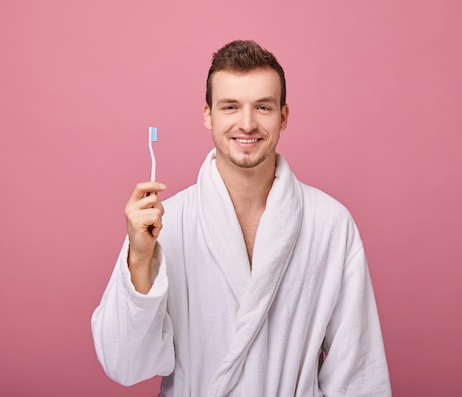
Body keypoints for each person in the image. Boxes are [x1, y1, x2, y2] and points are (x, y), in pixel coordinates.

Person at [91, 39, 391, 396]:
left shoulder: (330, 225)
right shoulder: (164, 225)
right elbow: (123, 363)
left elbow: (359, 372)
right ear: (208, 115)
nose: (246, 124)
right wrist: (140, 258)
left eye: (262, 107)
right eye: (230, 106)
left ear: (283, 116)